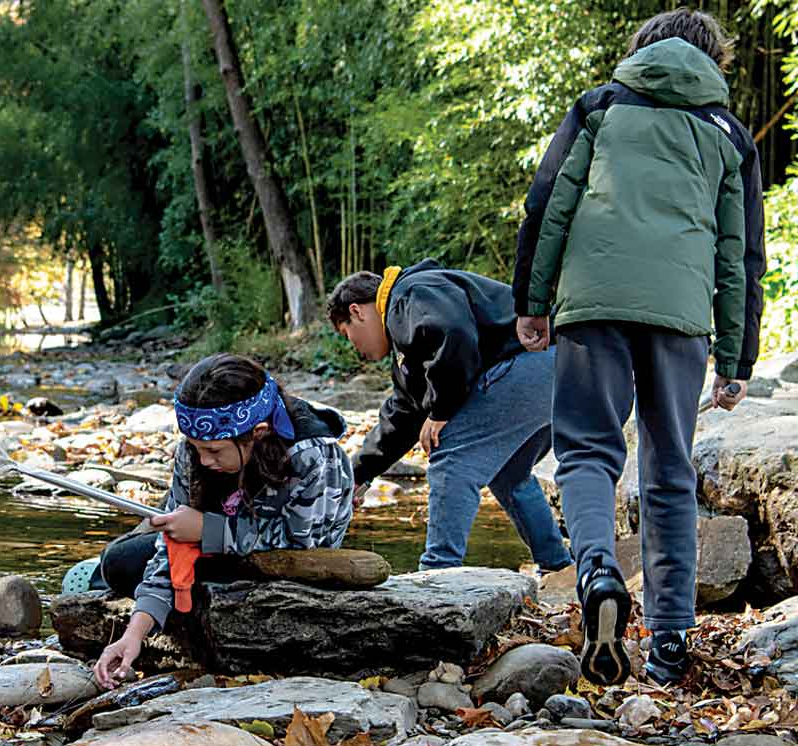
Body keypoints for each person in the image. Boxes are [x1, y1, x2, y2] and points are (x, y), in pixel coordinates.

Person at [513, 8, 765, 686]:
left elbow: (549, 204)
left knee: (589, 450)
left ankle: (597, 569)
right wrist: (738, 359)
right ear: (715, 62)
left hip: (593, 304)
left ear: (639, 52)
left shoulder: (601, 107)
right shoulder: (728, 135)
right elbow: (739, 254)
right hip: (682, 317)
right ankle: (671, 644)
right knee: (670, 472)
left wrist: (531, 303)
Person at [92, 353, 354, 689]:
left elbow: (305, 544)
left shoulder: (314, 454)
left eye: (214, 452)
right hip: (221, 558)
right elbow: (170, 549)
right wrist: (134, 633)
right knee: (119, 561)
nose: (203, 460)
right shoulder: (195, 450)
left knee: (122, 561)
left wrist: (206, 530)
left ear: (258, 433)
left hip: (291, 572)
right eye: (196, 448)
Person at [328, 260, 572, 575]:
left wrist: (442, 410)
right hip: (557, 369)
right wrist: (357, 477)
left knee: (451, 451)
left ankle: (437, 573)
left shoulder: (412, 293)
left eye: (349, 335)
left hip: (539, 362)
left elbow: (454, 334)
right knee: (509, 473)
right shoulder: (407, 339)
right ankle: (558, 568)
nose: (356, 349)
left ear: (358, 311)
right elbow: (404, 415)